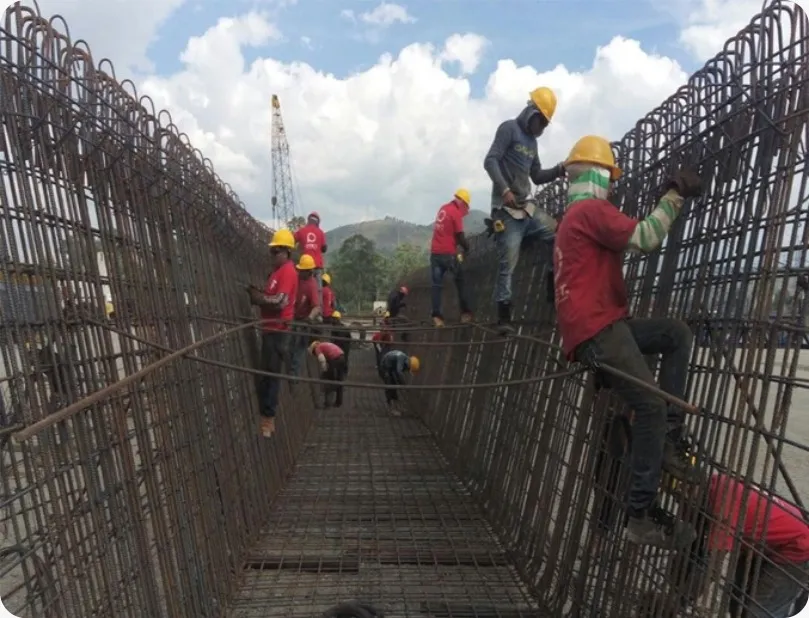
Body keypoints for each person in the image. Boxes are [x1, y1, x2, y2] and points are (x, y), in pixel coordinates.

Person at [552, 134, 703, 548]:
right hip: (599, 329)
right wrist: (674, 195)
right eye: (611, 179)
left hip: (599, 326)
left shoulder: (573, 220)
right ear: (601, 175)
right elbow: (645, 237)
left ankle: (669, 437)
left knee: (675, 334)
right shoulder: (591, 211)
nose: (613, 187)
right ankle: (640, 514)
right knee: (650, 404)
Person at [669, 472, 809, 618]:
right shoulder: (715, 483)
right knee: (738, 599)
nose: (678, 501)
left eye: (680, 495)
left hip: (796, 548)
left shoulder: (724, 503)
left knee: (758, 610)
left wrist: (680, 602)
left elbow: (712, 566)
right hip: (763, 544)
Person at [483, 86, 566, 332]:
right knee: (508, 263)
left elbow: (537, 175)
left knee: (558, 234)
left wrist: (559, 169)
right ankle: (504, 315)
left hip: (526, 209)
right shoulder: (508, 129)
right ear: (532, 113)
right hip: (506, 211)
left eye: (546, 125)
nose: (542, 128)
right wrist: (504, 190)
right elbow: (490, 160)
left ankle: (552, 286)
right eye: (542, 122)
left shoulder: (532, 143)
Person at [247, 228, 298, 438]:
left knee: (271, 374)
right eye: (272, 251)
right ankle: (267, 415)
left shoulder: (288, 271)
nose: (272, 255)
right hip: (271, 329)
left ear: (286, 251)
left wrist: (258, 298)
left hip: (278, 330)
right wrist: (261, 294)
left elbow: (280, 301)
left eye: (276, 251)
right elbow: (273, 295)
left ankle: (268, 419)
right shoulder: (277, 273)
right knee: (267, 373)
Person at [430, 188, 473, 327]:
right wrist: (467, 247)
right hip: (448, 254)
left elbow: (447, 231)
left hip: (435, 253)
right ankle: (466, 312)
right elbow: (460, 236)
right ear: (463, 203)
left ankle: (437, 316)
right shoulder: (455, 212)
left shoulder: (443, 208)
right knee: (460, 281)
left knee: (436, 285)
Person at [289, 254, 322, 379]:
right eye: (300, 270)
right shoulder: (296, 278)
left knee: (300, 347)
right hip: (293, 316)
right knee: (290, 343)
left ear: (309, 271)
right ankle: (289, 366)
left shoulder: (312, 285)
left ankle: (294, 374)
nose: (300, 272)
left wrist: (309, 318)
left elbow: (316, 307)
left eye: (303, 270)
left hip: (304, 320)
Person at [294, 212, 327, 301]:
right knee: (318, 291)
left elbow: (292, 240)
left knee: (303, 289)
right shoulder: (321, 232)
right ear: (317, 222)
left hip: (305, 267)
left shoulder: (301, 231)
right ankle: (318, 308)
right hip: (317, 266)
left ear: (308, 220)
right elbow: (324, 248)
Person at [378, 349, 420, 416]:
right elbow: (399, 372)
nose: (407, 370)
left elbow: (398, 372)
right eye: (408, 369)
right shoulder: (401, 358)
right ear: (409, 364)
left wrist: (401, 384)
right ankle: (391, 409)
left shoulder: (403, 357)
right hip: (385, 368)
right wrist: (404, 384)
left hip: (390, 368)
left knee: (394, 386)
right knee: (390, 387)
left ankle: (397, 407)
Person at [309, 340, 347, 408]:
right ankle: (338, 402)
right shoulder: (324, 344)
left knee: (327, 379)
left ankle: (328, 400)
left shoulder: (317, 348)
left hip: (335, 359)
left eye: (314, 354)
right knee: (339, 380)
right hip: (342, 357)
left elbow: (322, 360)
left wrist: (325, 370)